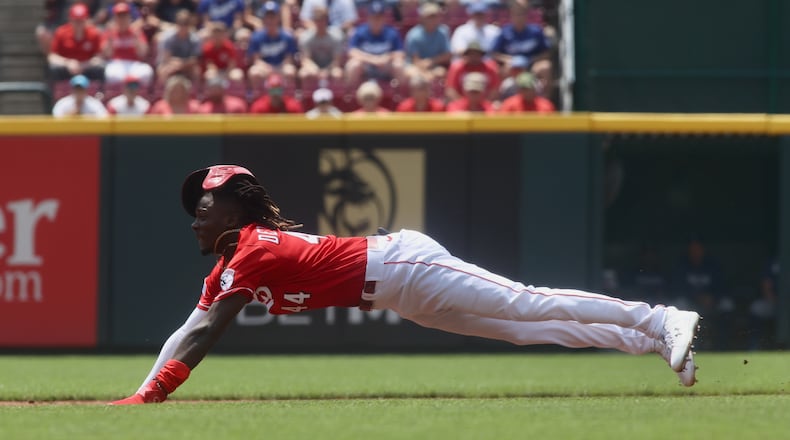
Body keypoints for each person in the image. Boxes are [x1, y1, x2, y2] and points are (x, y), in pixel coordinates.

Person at [110, 164, 701, 405]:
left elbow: (207, 332)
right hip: (401, 295)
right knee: (526, 329)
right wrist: (143, 392)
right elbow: (188, 328)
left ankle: (660, 318)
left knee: (526, 302)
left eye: (204, 205)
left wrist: (151, 397)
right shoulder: (232, 261)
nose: (195, 217)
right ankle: (649, 344)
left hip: (403, 266)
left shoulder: (254, 250)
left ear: (234, 210)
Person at [345, 1, 406, 87]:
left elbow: (400, 53)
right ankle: (350, 96)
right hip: (367, 66)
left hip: (385, 66)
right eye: (374, 17)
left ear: (383, 18)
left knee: (398, 65)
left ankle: (401, 95)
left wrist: (386, 57)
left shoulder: (392, 32)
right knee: (354, 65)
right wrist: (373, 59)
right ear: (369, 18)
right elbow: (352, 52)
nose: (376, 21)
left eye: (379, 18)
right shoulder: (360, 32)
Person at [247, 1, 299, 88]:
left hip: (281, 67)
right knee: (254, 72)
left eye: (272, 17)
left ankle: (288, 98)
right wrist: (269, 68)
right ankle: (258, 99)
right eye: (267, 17)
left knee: (290, 71)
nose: (270, 20)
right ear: (263, 18)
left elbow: (289, 59)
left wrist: (276, 69)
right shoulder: (256, 36)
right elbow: (257, 60)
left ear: (278, 18)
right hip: (265, 68)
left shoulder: (287, 36)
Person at [101, 2, 155, 86]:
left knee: (147, 72)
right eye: (119, 17)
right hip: (116, 64)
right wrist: (110, 40)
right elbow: (106, 54)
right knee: (111, 75)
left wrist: (136, 39)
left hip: (134, 64)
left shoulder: (136, 33)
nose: (122, 20)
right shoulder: (110, 33)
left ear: (129, 18)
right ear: (115, 18)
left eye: (124, 16)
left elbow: (143, 54)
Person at [48, 3, 106, 81]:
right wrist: (68, 63)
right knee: (54, 68)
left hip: (87, 68)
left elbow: (99, 57)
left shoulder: (94, 33)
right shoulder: (61, 32)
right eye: (76, 21)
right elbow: (52, 57)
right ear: (70, 20)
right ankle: (57, 93)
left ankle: (97, 93)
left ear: (86, 20)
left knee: (100, 68)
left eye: (81, 21)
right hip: (67, 68)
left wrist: (84, 65)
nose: (78, 24)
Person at [491, 0, 551, 69]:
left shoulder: (536, 31)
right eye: (517, 15)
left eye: (522, 14)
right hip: (512, 65)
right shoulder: (505, 32)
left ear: (526, 16)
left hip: (532, 64)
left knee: (546, 66)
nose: (519, 18)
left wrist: (531, 59)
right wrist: (510, 60)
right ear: (512, 16)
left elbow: (546, 53)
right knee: (504, 67)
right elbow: (494, 53)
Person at [403, 2, 451, 83]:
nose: (433, 19)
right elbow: (415, 60)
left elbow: (447, 55)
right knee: (411, 73)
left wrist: (431, 61)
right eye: (429, 17)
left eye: (435, 16)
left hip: (434, 66)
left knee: (441, 72)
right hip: (415, 66)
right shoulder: (414, 34)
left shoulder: (443, 32)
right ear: (422, 18)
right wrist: (426, 73)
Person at [297, 7, 345, 86]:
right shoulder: (306, 38)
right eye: (317, 20)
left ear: (326, 21)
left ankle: (337, 97)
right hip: (313, 68)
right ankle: (307, 97)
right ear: (314, 21)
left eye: (322, 20)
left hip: (331, 68)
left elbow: (337, 61)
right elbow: (306, 60)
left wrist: (326, 71)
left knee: (338, 74)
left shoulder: (336, 37)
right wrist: (316, 71)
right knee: (303, 74)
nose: (320, 23)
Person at [156, 10, 202, 85]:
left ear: (190, 25)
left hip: (187, 65)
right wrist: (176, 64)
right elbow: (166, 58)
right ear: (176, 24)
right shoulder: (168, 37)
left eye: (186, 24)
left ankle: (194, 93)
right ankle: (164, 92)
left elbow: (195, 59)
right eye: (181, 24)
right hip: (170, 64)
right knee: (163, 71)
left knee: (196, 71)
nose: (183, 27)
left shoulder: (195, 39)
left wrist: (182, 64)